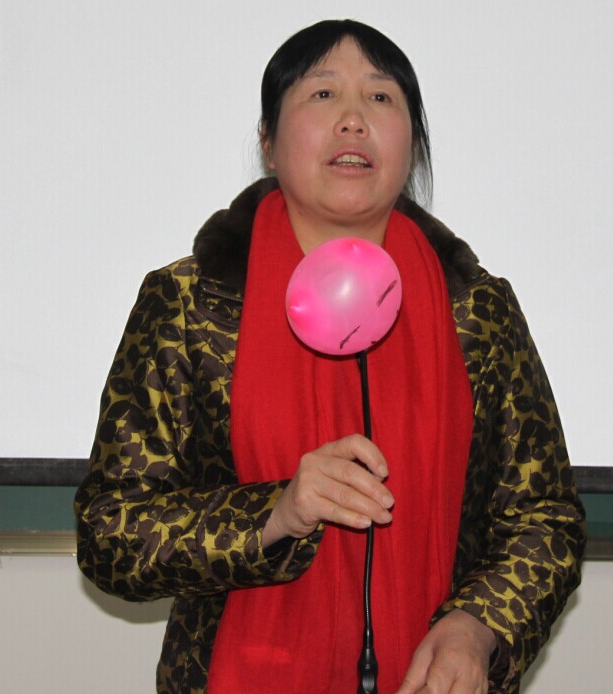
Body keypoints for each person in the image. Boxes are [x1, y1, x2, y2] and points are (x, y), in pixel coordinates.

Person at [75, 19, 585, 694]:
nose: (352, 119)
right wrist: (275, 514)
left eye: (380, 97)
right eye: (321, 94)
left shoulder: (477, 312)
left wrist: (477, 625)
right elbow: (111, 535)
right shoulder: (190, 305)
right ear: (267, 140)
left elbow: (545, 519)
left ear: (412, 145)